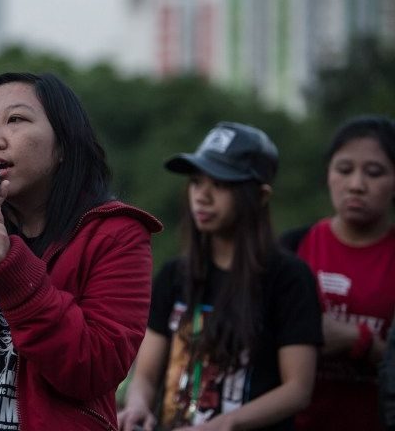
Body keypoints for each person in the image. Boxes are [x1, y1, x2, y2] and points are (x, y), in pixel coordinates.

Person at [0, 72, 162, 430]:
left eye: (16, 120)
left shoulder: (116, 234)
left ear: (64, 145)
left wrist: (10, 266)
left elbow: (96, 368)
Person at [118, 122, 323, 431]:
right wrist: (138, 406)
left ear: (261, 195)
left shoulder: (289, 277)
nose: (202, 196)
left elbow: (298, 390)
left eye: (222, 184)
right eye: (196, 182)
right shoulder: (175, 275)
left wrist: (224, 425)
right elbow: (145, 374)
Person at [281, 115, 395, 431]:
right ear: (328, 174)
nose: (356, 185)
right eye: (344, 170)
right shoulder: (292, 248)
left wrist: (358, 340)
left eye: (374, 173)